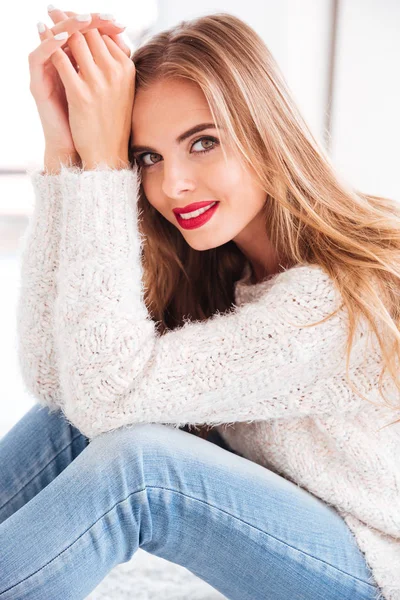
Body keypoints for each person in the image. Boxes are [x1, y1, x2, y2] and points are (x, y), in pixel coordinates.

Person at [1, 7, 399, 600]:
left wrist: (103, 168)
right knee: (79, 418)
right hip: (307, 533)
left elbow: (108, 395)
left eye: (203, 143)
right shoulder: (224, 272)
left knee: (141, 467)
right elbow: (62, 388)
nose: (171, 185)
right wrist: (67, 155)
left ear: (266, 130)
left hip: (377, 566)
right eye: (145, 158)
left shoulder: (332, 300)